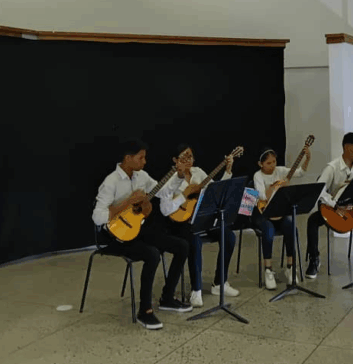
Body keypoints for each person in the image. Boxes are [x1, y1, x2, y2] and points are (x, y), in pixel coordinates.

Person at [92, 140, 192, 331]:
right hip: (114, 237)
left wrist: (179, 175)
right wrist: (127, 202)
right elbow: (97, 217)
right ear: (127, 158)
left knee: (182, 246)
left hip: (137, 231)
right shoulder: (111, 182)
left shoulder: (142, 176)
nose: (145, 162)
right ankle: (144, 311)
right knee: (152, 254)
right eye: (141, 158)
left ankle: (167, 298)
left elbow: (163, 191)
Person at [161, 144, 238, 308]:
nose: (188, 160)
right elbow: (167, 208)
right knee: (194, 241)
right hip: (180, 223)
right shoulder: (170, 179)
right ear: (175, 160)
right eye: (184, 157)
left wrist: (228, 170)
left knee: (229, 236)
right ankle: (196, 290)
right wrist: (185, 196)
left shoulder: (198, 172)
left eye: (190, 156)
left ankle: (220, 283)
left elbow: (217, 191)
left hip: (203, 218)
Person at [305, 132, 353, 278]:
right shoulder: (332, 167)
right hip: (333, 209)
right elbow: (319, 190)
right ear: (347, 147)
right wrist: (334, 204)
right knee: (312, 221)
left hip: (351, 211)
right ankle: (314, 259)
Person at [253, 144, 311, 290]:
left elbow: (300, 173)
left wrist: (307, 158)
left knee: (291, 228)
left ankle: (290, 267)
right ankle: (268, 270)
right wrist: (276, 186)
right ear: (260, 164)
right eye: (268, 163)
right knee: (268, 232)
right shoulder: (258, 176)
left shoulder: (280, 170)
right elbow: (261, 196)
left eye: (274, 162)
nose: (272, 165)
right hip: (264, 213)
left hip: (280, 212)